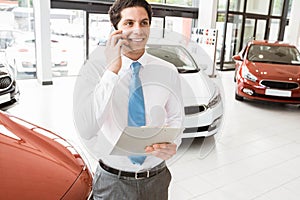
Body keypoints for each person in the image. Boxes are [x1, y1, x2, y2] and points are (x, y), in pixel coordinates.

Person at [73, 0, 184, 199]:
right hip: (112, 181)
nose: (138, 30)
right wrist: (112, 70)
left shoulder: (168, 71)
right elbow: (88, 128)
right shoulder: (95, 70)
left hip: (156, 179)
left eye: (144, 23)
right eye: (129, 23)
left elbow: (176, 118)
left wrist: (172, 143)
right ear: (115, 29)